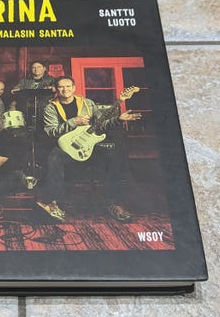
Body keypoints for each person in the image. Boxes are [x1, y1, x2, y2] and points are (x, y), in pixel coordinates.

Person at [36, 76, 142, 222]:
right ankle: (54, 204)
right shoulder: (50, 108)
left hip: (88, 145)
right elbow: (51, 132)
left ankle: (114, 203)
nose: (65, 89)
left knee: (113, 155)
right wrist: (73, 122)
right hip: (65, 147)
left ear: (74, 88)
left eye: (68, 86)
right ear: (56, 89)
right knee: (54, 157)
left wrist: (118, 119)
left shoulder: (87, 103)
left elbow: (101, 125)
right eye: (61, 87)